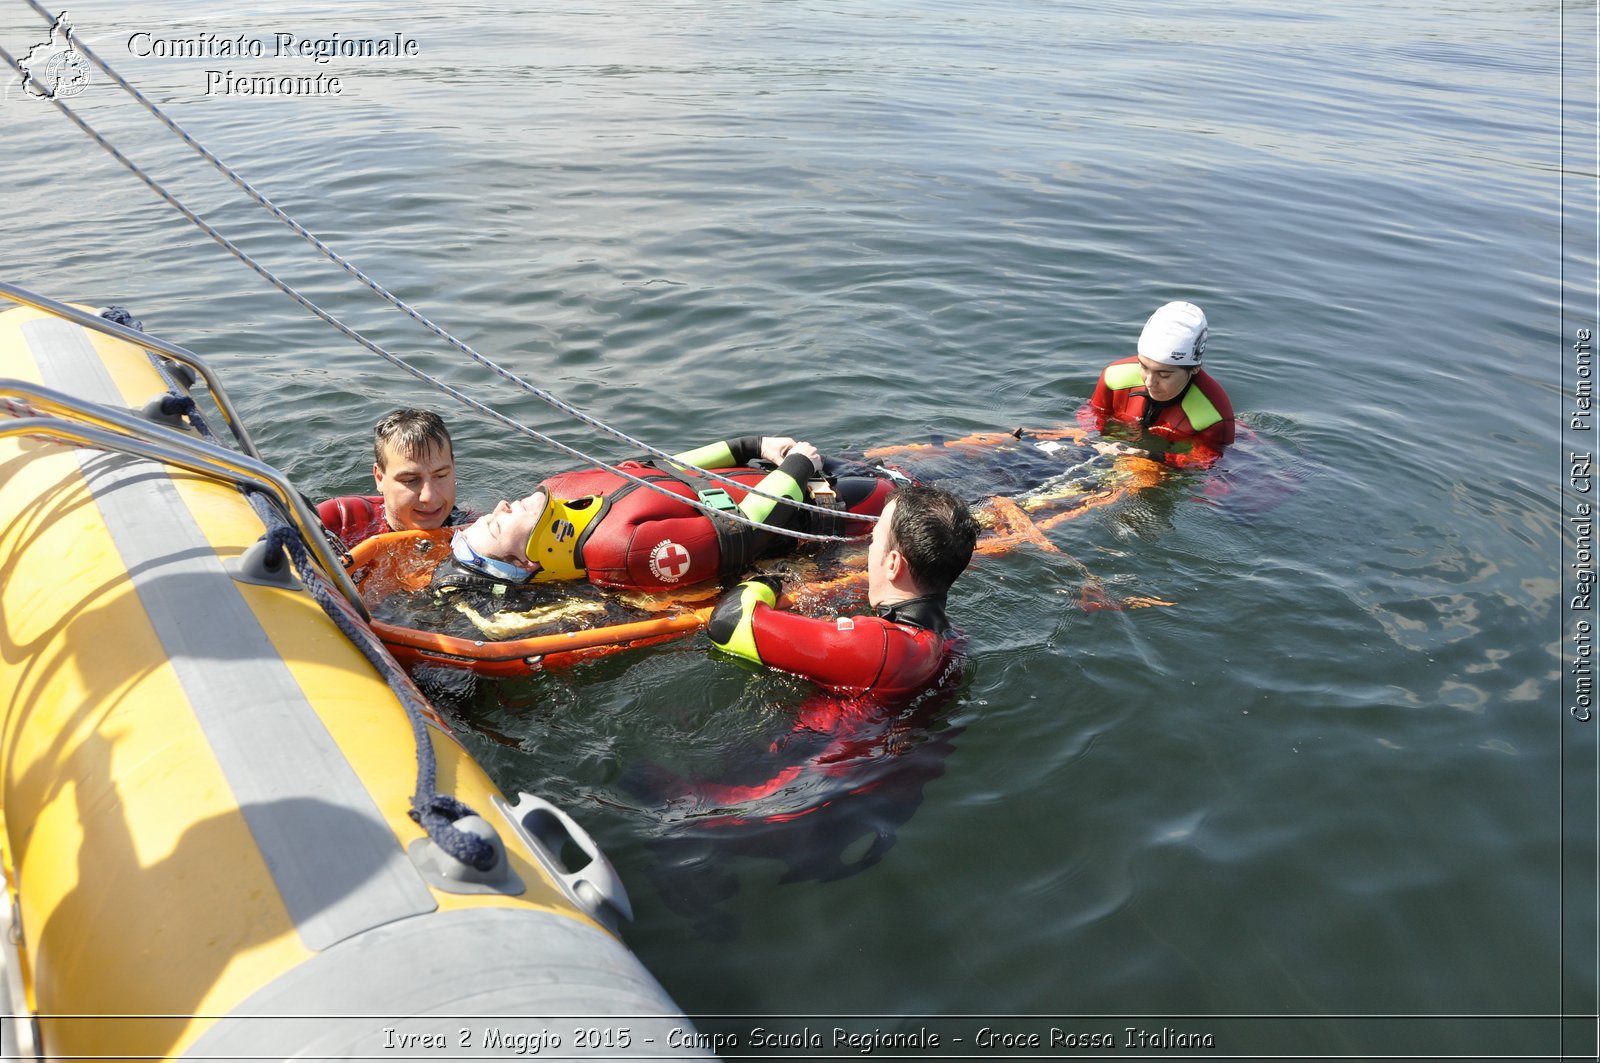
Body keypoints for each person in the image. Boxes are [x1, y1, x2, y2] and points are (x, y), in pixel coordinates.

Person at [435, 435, 895, 595]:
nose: (500, 506)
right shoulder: (622, 550)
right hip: (824, 509)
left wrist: (751, 446)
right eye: (497, 524)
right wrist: (798, 468)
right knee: (912, 486)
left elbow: (655, 470)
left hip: (786, 474)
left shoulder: (559, 488)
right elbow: (740, 533)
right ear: (526, 562)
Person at [705, 483, 979, 699]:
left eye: (874, 539)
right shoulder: (953, 640)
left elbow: (727, 622)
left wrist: (767, 581)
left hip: (809, 765)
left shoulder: (880, 646)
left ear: (893, 563)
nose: (870, 548)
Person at [1078, 300, 1235, 469]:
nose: (1149, 382)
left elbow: (1208, 460)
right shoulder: (1114, 377)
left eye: (1164, 374)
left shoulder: (1213, 417)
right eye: (1144, 367)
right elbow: (1093, 414)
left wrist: (1153, 457)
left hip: (1169, 460)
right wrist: (1095, 440)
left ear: (1195, 369)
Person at [318, 409, 469, 548]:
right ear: (379, 478)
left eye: (441, 475)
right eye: (410, 480)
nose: (429, 497)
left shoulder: (474, 532)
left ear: (453, 469)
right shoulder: (342, 520)